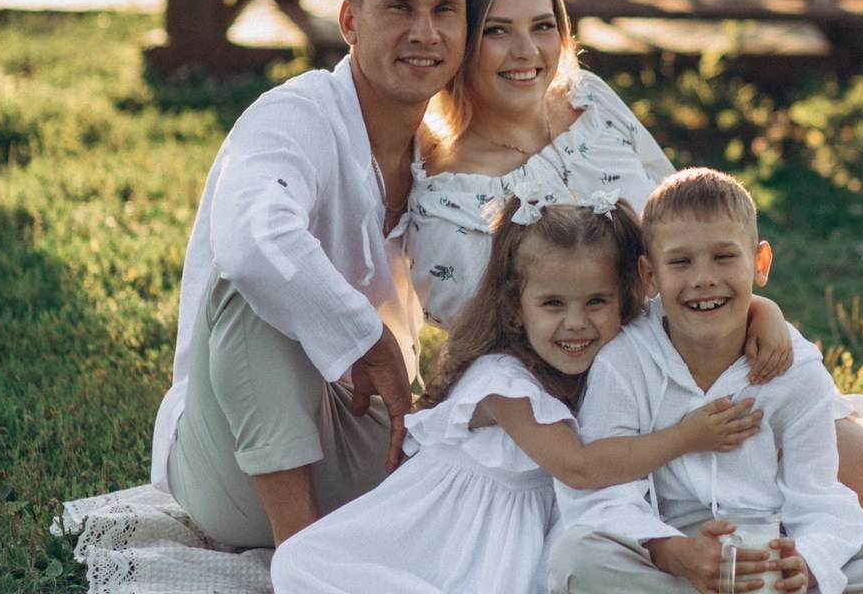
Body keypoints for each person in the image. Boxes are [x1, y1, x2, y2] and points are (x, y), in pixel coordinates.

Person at [407, 0, 863, 543]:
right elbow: (512, 349)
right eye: (497, 32)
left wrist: (759, 309)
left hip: (710, 335)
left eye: (542, 26)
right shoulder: (447, 199)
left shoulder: (588, 100)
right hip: (601, 410)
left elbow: (684, 216)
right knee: (714, 524)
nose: (527, 52)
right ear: (463, 39)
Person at [150, 0, 468, 549]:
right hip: (236, 467)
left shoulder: (447, 160)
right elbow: (249, 243)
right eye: (400, 7)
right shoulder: (295, 114)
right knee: (250, 283)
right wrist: (365, 338)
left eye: (445, 11)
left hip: (359, 436)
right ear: (350, 21)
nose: (425, 32)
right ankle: (302, 560)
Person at [271, 197, 764, 594]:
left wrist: (766, 316)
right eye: (552, 304)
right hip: (448, 536)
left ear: (626, 299)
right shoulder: (501, 380)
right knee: (303, 565)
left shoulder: (618, 358)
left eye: (597, 301)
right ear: (515, 308)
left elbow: (688, 311)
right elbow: (579, 468)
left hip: (520, 543)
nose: (576, 323)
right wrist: (688, 437)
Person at [548, 168, 863, 594]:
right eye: (680, 261)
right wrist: (674, 552)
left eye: (724, 257)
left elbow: (820, 496)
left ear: (759, 263)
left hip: (769, 556)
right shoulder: (625, 362)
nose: (703, 278)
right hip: (672, 559)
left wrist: (806, 562)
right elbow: (602, 496)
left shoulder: (795, 369)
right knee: (578, 558)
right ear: (650, 275)